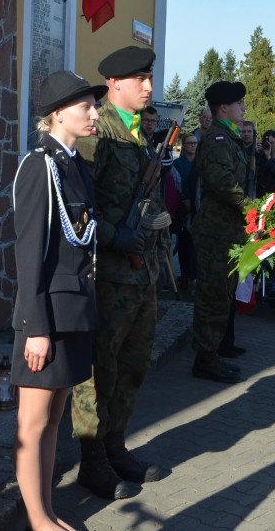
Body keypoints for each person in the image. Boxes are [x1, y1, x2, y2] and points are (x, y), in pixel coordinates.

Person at [71, 47, 167, 501]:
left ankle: (115, 447)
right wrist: (116, 237)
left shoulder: (137, 134)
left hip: (140, 276)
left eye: (149, 77)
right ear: (114, 84)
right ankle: (92, 462)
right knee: (99, 373)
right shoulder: (97, 133)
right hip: (107, 277)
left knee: (133, 368)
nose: (148, 86)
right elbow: (79, 207)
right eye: (140, 79)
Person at [12, 70, 106, 531]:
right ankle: (37, 519)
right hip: (47, 316)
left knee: (53, 419)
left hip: (75, 310)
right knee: (32, 423)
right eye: (86, 106)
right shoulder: (39, 165)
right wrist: (36, 327)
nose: (95, 112)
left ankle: (46, 510)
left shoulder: (75, 165)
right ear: (57, 114)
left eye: (94, 104)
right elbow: (29, 253)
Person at [191, 81, 250, 383]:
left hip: (228, 232)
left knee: (222, 295)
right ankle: (205, 358)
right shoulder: (217, 139)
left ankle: (212, 353)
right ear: (224, 107)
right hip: (215, 233)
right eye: (239, 103)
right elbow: (223, 183)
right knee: (212, 296)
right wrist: (254, 209)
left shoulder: (229, 137)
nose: (244, 107)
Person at [171, 132, 198, 292]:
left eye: (194, 143)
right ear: (183, 145)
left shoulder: (200, 162)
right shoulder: (178, 163)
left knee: (195, 245)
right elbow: (177, 184)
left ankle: (193, 275)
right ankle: (185, 276)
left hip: (197, 206)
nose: (192, 146)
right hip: (183, 208)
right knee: (184, 244)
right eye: (189, 143)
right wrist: (185, 201)